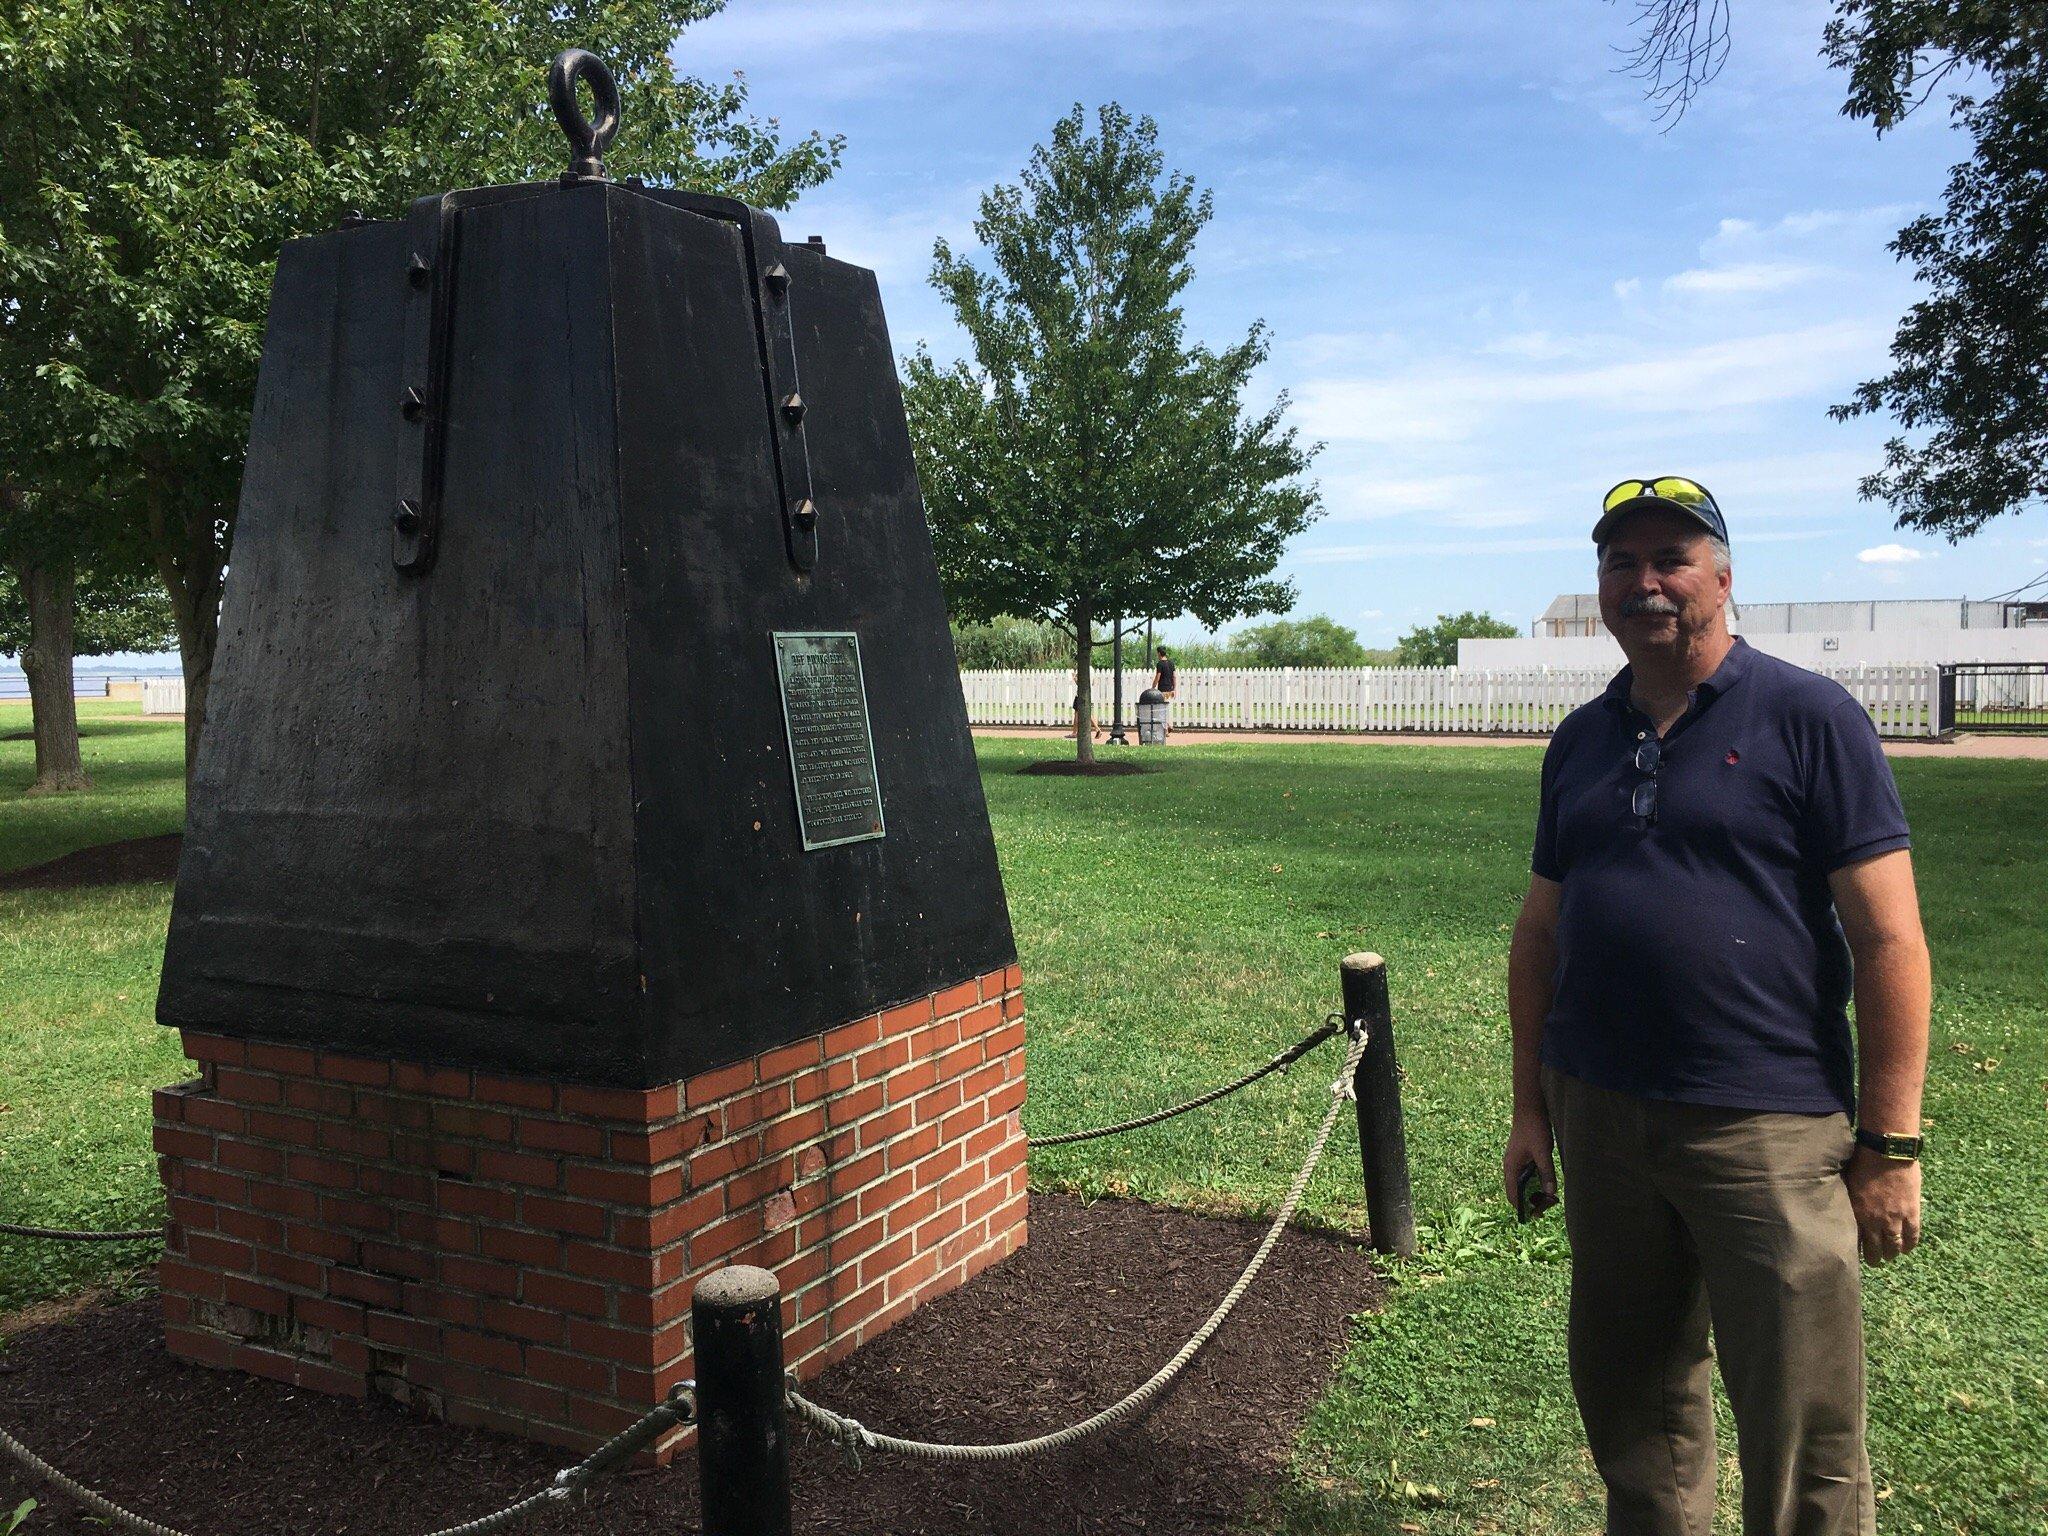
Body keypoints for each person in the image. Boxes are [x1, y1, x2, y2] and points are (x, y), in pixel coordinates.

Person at [1503, 476, 1930, 1536]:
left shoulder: (1809, 717)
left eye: (1671, 559)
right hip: (1602, 1114)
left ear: (1723, 579)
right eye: (1620, 562)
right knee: (1632, 1406)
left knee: (1802, 1423)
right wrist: (1529, 1110)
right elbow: (1540, 931)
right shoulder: (1581, 739)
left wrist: (1890, 1144)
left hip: (1765, 1124)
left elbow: (1888, 939)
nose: (1643, 581)